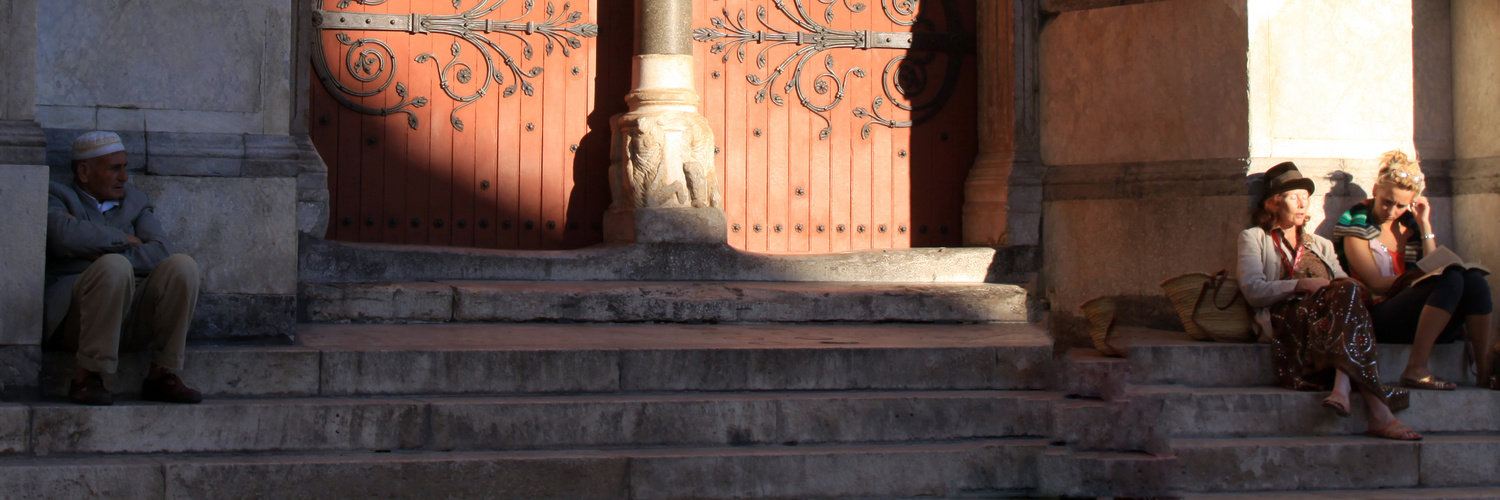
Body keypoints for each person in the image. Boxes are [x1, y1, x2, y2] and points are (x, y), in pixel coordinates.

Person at [1239, 161, 1418, 440]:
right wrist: (1301, 283)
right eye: (1293, 197)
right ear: (1274, 203)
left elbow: (1345, 282)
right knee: (1345, 295)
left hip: (1328, 319)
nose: (1302, 204)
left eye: (1306, 198)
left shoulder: (1320, 244)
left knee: (1348, 289)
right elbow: (1252, 289)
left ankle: (1344, 387)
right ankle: (1373, 408)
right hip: (1288, 319)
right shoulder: (1254, 238)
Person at [44, 131, 204, 406]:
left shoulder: (135, 201)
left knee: (182, 266)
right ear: (84, 172)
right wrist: (122, 240)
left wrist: (93, 247)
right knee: (113, 267)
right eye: (114, 169)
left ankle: (161, 373)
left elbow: (160, 251)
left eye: (125, 168)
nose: (124, 177)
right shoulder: (57, 195)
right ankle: (88, 376)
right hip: (77, 318)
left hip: (130, 311)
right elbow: (62, 236)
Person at [1335, 151, 1498, 391]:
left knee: (1474, 280)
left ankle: (1484, 372)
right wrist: (1417, 279)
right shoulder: (1355, 226)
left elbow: (1434, 266)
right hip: (1380, 315)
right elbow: (1376, 283)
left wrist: (1424, 225)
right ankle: (1415, 369)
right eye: (1387, 201)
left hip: (1422, 315)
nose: (1392, 211)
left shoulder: (1409, 226)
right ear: (1375, 190)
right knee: (1450, 279)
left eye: (1401, 205)